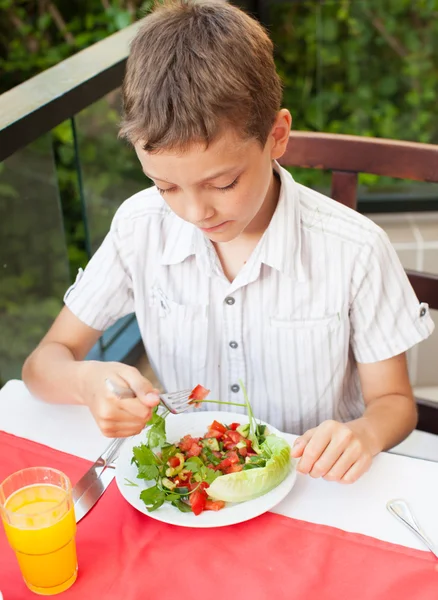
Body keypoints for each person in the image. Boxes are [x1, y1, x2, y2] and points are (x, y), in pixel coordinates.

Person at [22, 0, 434, 484]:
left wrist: (363, 434)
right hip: (195, 487)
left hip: (313, 486)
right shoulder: (140, 228)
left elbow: (395, 404)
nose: (196, 213)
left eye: (222, 184)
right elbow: (42, 364)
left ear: (277, 136)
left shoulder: (356, 250)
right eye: (166, 186)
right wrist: (87, 382)